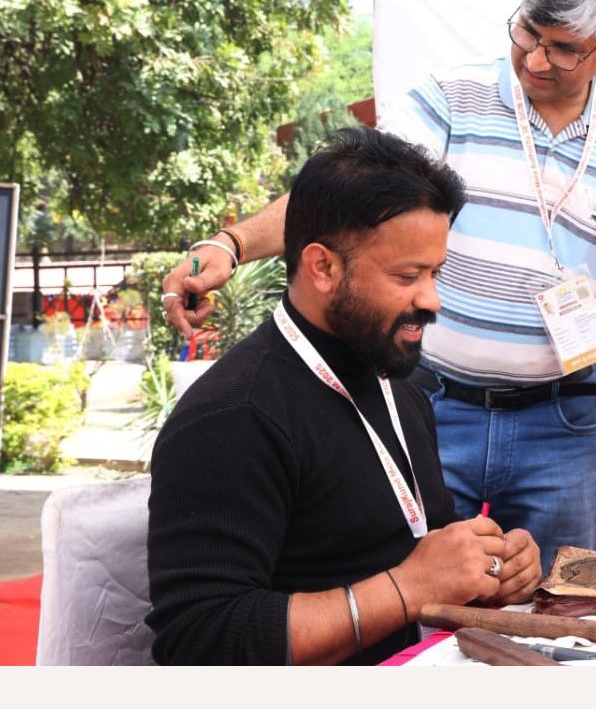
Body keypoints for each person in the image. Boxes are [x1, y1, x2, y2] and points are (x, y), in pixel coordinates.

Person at [160, 0, 596, 573]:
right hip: (431, 406)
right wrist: (232, 245)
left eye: (564, 49)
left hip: (560, 425)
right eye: (527, 33)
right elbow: (346, 191)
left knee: (556, 607)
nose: (536, 61)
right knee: (415, 604)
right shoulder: (453, 97)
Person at [146, 127, 541, 665]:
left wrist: (493, 567)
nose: (432, 298)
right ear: (323, 267)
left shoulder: (400, 383)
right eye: (408, 275)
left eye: (436, 272)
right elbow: (201, 641)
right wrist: (408, 587)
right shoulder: (234, 416)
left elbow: (433, 547)